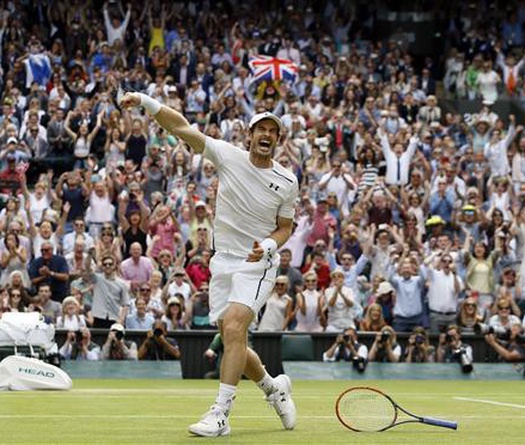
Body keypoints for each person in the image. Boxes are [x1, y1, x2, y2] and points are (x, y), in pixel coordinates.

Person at [120, 92, 298, 436]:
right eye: (260, 129)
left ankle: (220, 414)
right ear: (249, 135)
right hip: (223, 262)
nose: (265, 134)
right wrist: (146, 101)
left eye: (272, 131)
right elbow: (181, 128)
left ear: (277, 139)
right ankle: (274, 389)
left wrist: (268, 245)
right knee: (233, 340)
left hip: (258, 264)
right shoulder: (227, 155)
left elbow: (286, 228)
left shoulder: (288, 181)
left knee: (233, 329)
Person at [84, 253, 130, 328]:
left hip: (114, 317)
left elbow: (125, 304)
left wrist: (121, 319)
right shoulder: (97, 278)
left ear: (114, 265)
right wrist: (89, 255)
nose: (107, 266)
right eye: (105, 264)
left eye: (110, 264)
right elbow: (87, 268)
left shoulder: (121, 283)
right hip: (99, 317)